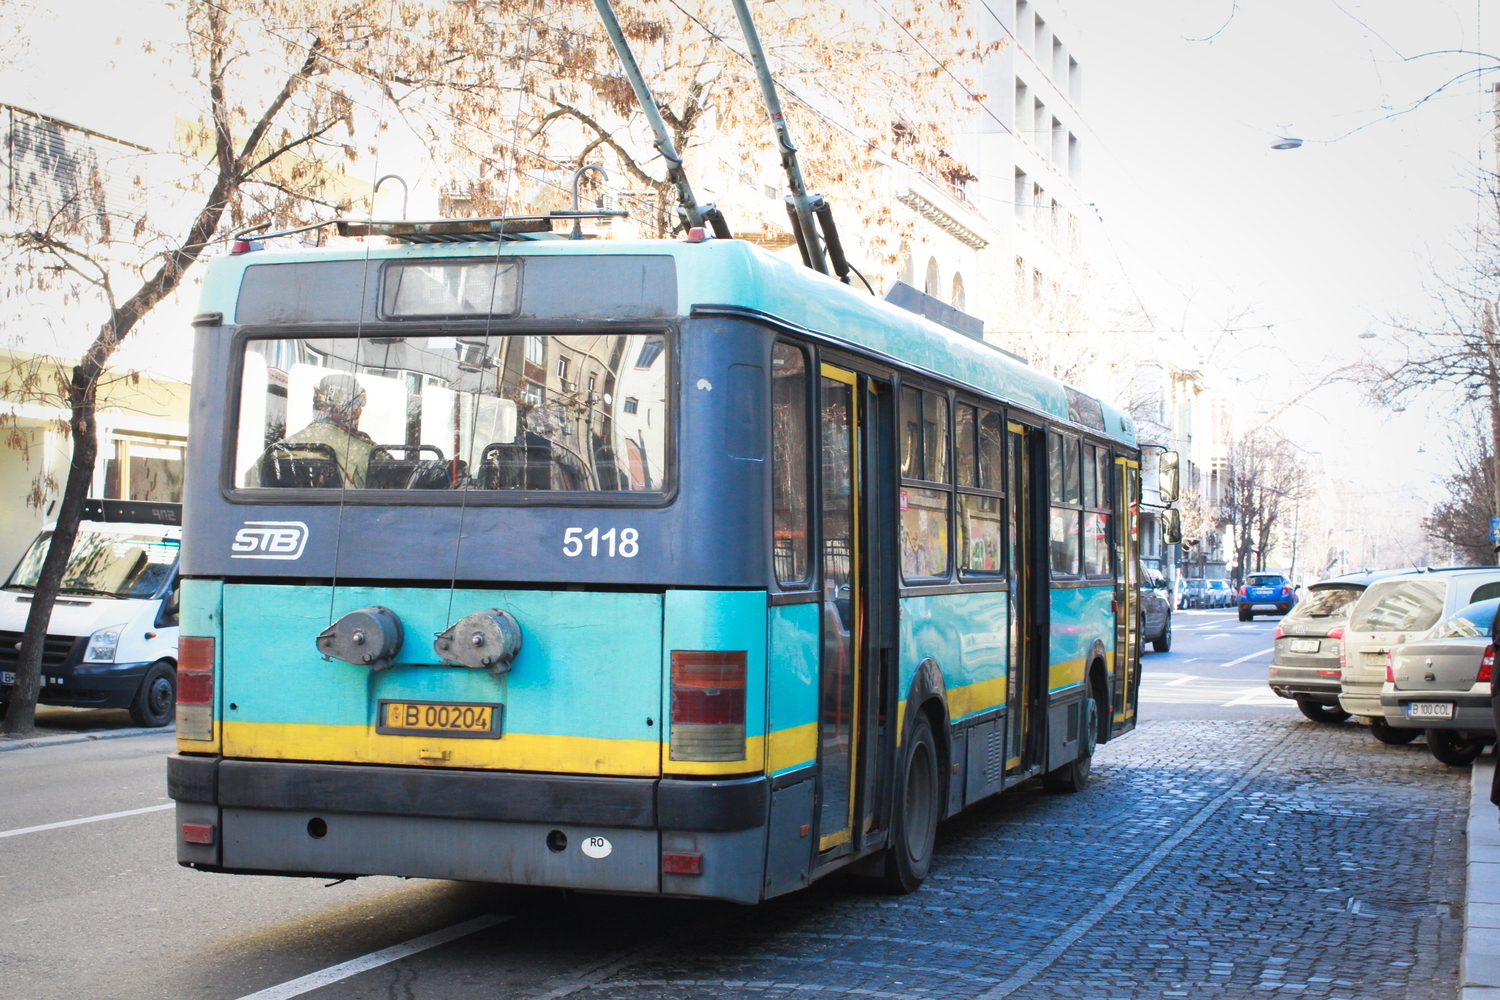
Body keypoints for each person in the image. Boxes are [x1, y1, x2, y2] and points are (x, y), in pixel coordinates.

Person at [274, 373, 377, 488]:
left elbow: (253, 483)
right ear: (350, 411)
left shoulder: (277, 449)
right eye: (358, 408)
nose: (358, 413)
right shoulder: (366, 453)